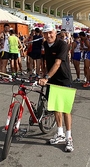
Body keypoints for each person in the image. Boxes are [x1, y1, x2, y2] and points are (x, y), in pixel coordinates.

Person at [38, 24, 74, 153]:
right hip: (52, 80)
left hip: (64, 79)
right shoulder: (46, 44)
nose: (48, 36)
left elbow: (58, 62)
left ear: (55, 32)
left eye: (50, 33)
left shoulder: (62, 44)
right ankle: (60, 133)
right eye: (46, 33)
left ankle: (69, 137)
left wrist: (46, 77)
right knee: (56, 107)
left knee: (65, 110)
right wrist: (43, 73)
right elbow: (47, 61)